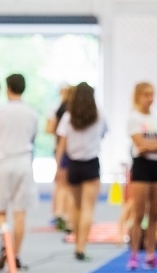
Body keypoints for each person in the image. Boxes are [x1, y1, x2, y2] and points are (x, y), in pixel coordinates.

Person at [0, 73, 38, 270]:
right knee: (20, 212)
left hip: (3, 162)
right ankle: (15, 255)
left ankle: (0, 249)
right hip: (24, 162)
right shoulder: (32, 113)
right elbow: (32, 137)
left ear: (7, 89)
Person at [56, 82, 108, 261]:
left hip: (74, 164)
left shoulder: (68, 116)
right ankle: (81, 246)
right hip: (91, 163)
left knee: (76, 206)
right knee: (88, 208)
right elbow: (103, 134)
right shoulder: (99, 115)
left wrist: (58, 168)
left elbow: (61, 145)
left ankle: (77, 241)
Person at [126, 82, 157, 271]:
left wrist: (153, 145)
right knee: (139, 212)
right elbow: (140, 145)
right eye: (145, 95)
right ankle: (134, 254)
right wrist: (156, 144)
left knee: (155, 213)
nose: (149, 98)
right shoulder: (133, 118)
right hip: (141, 167)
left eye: (152, 94)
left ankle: (151, 254)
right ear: (138, 96)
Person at [46, 85, 72, 232]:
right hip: (63, 149)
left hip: (66, 150)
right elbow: (49, 129)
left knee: (63, 184)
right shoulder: (58, 109)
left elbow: (49, 129)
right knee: (63, 184)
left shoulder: (70, 111)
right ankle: (60, 214)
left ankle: (61, 214)